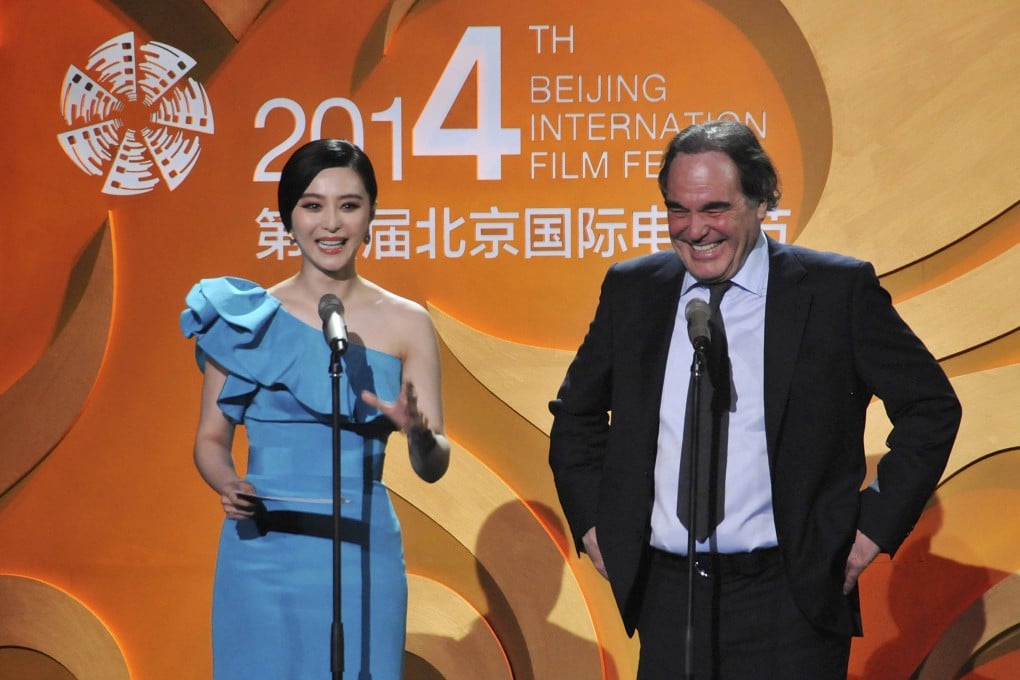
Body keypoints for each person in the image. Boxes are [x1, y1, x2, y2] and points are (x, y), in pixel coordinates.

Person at [548, 120, 961, 678]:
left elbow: (931, 408)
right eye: (678, 210)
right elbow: (575, 416)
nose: (694, 231)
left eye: (714, 208)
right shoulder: (635, 290)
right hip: (669, 596)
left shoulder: (834, 292)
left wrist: (868, 534)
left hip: (790, 598)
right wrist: (598, 527)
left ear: (761, 201)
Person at [181, 138, 450, 679]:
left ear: (371, 214)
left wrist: (420, 435)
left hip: (361, 552)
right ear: (288, 219)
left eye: (349, 205)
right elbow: (210, 438)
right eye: (312, 205)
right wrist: (227, 482)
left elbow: (433, 463)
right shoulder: (245, 320)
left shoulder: (407, 323)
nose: (331, 223)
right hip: (260, 553)